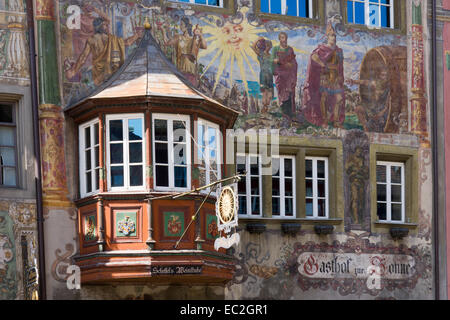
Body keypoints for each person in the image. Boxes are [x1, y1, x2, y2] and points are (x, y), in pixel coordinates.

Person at [66, 17, 142, 86]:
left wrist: (74, 70)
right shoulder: (111, 39)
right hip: (111, 73)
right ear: (99, 26)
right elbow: (127, 42)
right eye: (105, 25)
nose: (107, 27)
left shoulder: (92, 40)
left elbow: (83, 58)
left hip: (98, 76)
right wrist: (137, 35)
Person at [303, 22, 345, 128]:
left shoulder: (339, 51)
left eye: (335, 36)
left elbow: (340, 65)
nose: (334, 38)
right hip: (325, 77)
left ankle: (336, 120)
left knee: (339, 98)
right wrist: (323, 65)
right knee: (324, 98)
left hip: (335, 77)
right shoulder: (322, 49)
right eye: (332, 36)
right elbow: (313, 56)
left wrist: (340, 75)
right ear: (327, 37)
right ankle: (325, 120)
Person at [165, 17, 207, 87]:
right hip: (181, 70)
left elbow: (204, 46)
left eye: (181, 24)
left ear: (187, 26)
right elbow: (167, 43)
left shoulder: (193, 39)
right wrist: (164, 30)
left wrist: (200, 35)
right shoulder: (178, 37)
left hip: (191, 71)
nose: (180, 26)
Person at [272, 32, 298, 117]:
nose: (284, 39)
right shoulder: (275, 48)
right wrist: (280, 62)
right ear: (279, 39)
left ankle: (289, 114)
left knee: (289, 92)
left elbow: (293, 62)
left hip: (289, 75)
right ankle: (284, 113)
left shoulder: (290, 49)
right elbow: (273, 60)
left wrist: (291, 65)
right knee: (281, 92)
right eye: (282, 37)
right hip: (280, 75)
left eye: (285, 37)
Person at [251, 37, 274, 112]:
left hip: (270, 77)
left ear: (270, 47)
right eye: (266, 45)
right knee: (265, 93)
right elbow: (253, 47)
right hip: (263, 76)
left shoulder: (271, 56)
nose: (267, 47)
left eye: (269, 46)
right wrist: (258, 39)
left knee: (270, 95)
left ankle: (266, 107)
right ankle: (264, 108)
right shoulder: (261, 54)